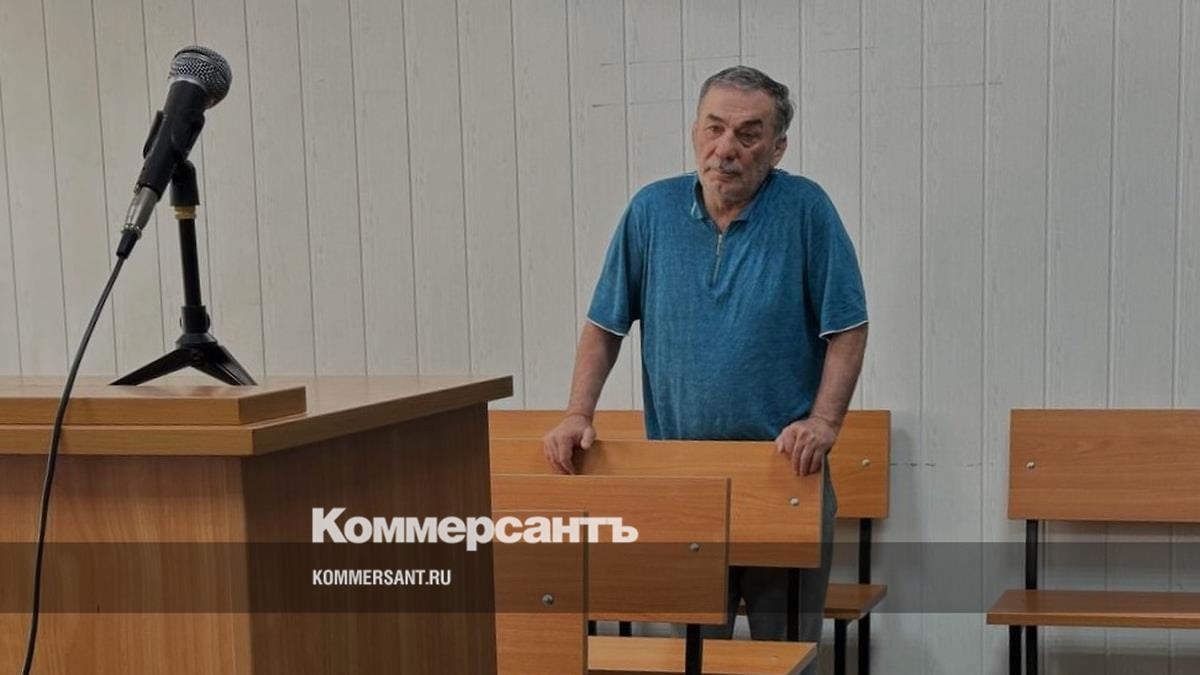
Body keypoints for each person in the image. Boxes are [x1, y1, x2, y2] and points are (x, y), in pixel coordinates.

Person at [542, 65, 868, 673]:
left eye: (748, 134)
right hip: (681, 480)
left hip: (783, 475)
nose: (726, 148)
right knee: (693, 657)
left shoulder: (806, 210)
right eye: (714, 128)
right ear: (695, 131)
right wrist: (576, 413)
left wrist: (825, 422)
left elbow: (847, 325)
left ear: (777, 147)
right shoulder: (651, 211)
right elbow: (605, 325)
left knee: (784, 658)